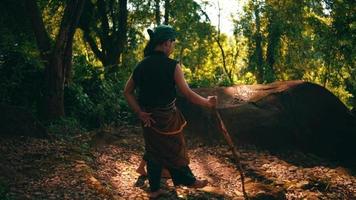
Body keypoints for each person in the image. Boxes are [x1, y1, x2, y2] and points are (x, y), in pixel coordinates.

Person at [124, 25, 217, 199]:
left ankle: (154, 190)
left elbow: (127, 91)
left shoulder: (141, 65)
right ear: (167, 43)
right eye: (173, 42)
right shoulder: (172, 66)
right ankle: (189, 181)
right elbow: (188, 94)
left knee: (153, 151)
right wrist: (207, 103)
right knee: (176, 149)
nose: (173, 46)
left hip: (148, 117)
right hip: (166, 116)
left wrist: (139, 112)